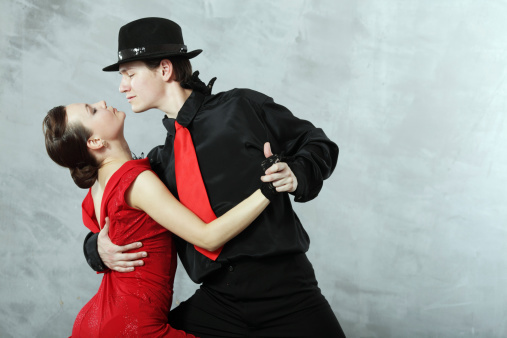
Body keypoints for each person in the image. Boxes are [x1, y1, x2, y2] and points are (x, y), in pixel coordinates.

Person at [85, 17, 346, 337]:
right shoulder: (158, 161)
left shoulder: (241, 107)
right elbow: (124, 212)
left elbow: (318, 144)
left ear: (164, 69)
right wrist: (95, 248)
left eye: (130, 74)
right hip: (220, 302)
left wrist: (298, 172)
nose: (122, 86)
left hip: (287, 292)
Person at [43, 101, 277, 337]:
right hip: (132, 326)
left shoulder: (97, 186)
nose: (101, 103)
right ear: (94, 142)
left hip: (95, 320)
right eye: (92, 110)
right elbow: (208, 237)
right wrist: (268, 190)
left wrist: (96, 248)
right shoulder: (137, 181)